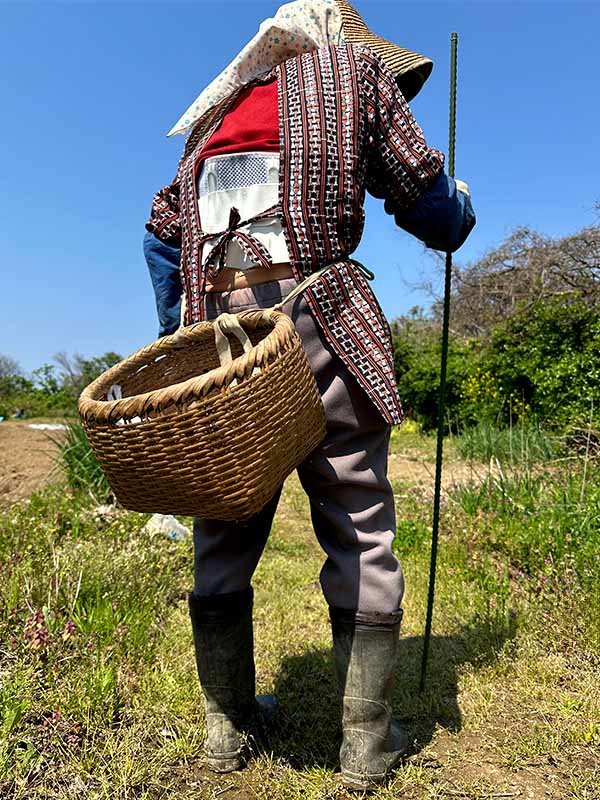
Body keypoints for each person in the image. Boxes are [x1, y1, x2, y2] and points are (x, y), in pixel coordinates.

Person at [145, 0, 475, 791]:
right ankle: (366, 743)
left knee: (224, 517)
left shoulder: (211, 121)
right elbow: (428, 204)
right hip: (317, 321)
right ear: (341, 39)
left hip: (225, 337)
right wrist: (458, 208)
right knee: (357, 516)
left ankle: (226, 731)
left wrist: (185, 343)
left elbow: (160, 234)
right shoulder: (358, 74)